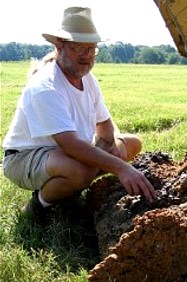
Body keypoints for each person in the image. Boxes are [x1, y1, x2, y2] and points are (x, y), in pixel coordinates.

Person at [2, 6, 155, 220]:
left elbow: (105, 126)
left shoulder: (88, 79)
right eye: (78, 48)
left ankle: (73, 184)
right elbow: (70, 144)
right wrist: (121, 168)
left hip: (67, 152)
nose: (86, 56)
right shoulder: (46, 87)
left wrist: (112, 146)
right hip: (25, 157)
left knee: (131, 143)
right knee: (81, 170)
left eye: (90, 49)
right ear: (59, 47)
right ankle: (39, 206)